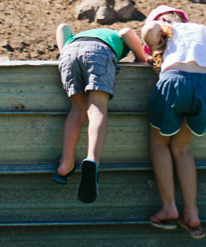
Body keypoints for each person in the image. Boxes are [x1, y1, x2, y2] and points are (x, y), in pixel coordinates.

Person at [140, 5, 206, 239]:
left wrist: (153, 49)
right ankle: (191, 214)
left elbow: (150, 27)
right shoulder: (199, 29)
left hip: (176, 82)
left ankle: (169, 207)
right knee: (181, 148)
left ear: (162, 22)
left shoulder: (163, 27)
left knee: (160, 143)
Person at [53, 21, 149, 204]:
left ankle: (65, 164)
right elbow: (127, 31)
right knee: (97, 108)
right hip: (99, 52)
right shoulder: (114, 36)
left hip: (68, 53)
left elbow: (62, 27)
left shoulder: (77, 36)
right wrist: (140, 58)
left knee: (77, 109)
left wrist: (63, 52)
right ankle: (92, 160)